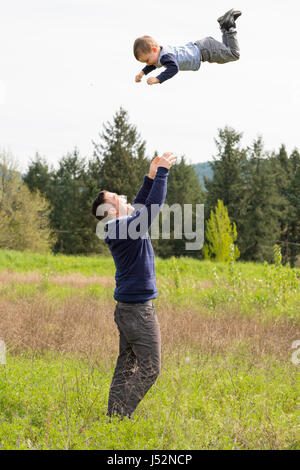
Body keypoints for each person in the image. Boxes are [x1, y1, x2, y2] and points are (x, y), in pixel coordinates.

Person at [92, 152, 177, 419]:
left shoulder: (120, 227)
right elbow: (150, 209)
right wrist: (163, 173)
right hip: (138, 312)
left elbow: (140, 206)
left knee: (126, 365)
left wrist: (150, 176)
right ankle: (119, 415)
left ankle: (114, 415)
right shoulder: (123, 229)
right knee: (151, 368)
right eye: (117, 198)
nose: (123, 197)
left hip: (128, 309)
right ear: (112, 211)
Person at [134, 8, 241, 85]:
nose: (148, 63)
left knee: (234, 54)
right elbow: (153, 64)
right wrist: (142, 73)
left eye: (147, 60)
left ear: (154, 49)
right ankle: (225, 25)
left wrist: (158, 79)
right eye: (145, 62)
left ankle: (228, 26)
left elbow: (174, 68)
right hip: (203, 47)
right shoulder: (161, 55)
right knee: (228, 51)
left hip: (206, 50)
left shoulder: (165, 57)